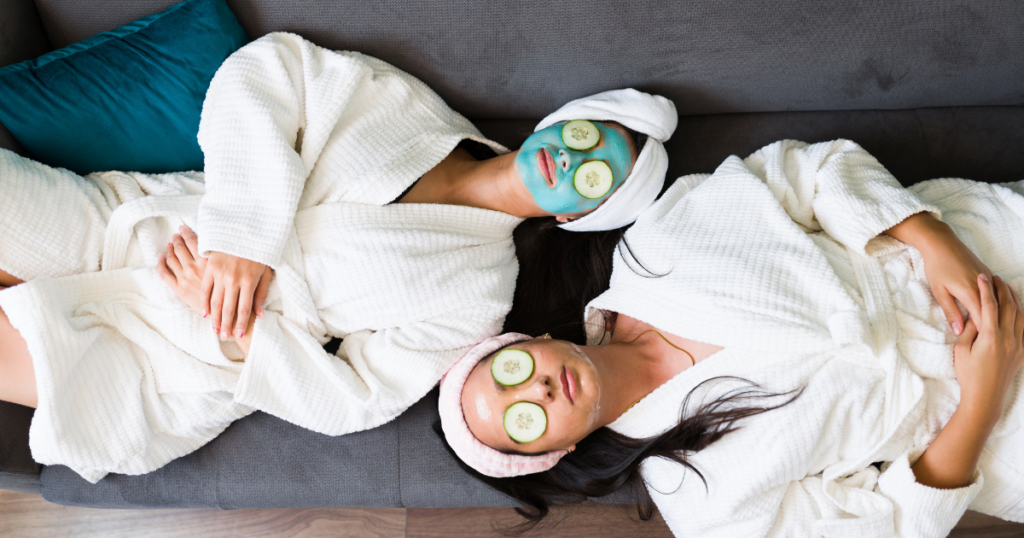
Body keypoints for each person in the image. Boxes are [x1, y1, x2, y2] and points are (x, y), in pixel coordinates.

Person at [0, 32, 678, 483]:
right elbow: (263, 73)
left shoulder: (478, 297)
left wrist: (239, 325)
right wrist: (243, 236)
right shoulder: (408, 110)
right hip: (138, 228)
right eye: (590, 137)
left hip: (180, 356)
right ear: (564, 118)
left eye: (597, 177)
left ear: (583, 213)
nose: (573, 159)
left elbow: (351, 402)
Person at [439, 139, 1024, 537]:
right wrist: (983, 400)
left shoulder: (655, 248)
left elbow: (810, 172)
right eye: (524, 423)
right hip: (998, 426)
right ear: (554, 452)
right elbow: (892, 525)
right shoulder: (701, 503)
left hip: (983, 254)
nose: (536, 391)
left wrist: (932, 241)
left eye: (510, 372)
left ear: (530, 340)